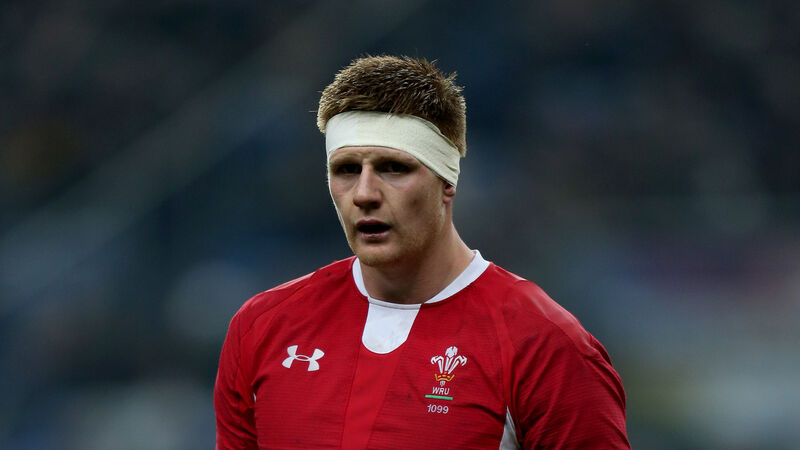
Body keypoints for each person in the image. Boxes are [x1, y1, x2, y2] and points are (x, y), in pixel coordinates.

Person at [214, 55, 629, 449]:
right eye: (346, 170)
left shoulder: (544, 344)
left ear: (447, 182)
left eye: (394, 168)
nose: (364, 194)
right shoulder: (262, 328)